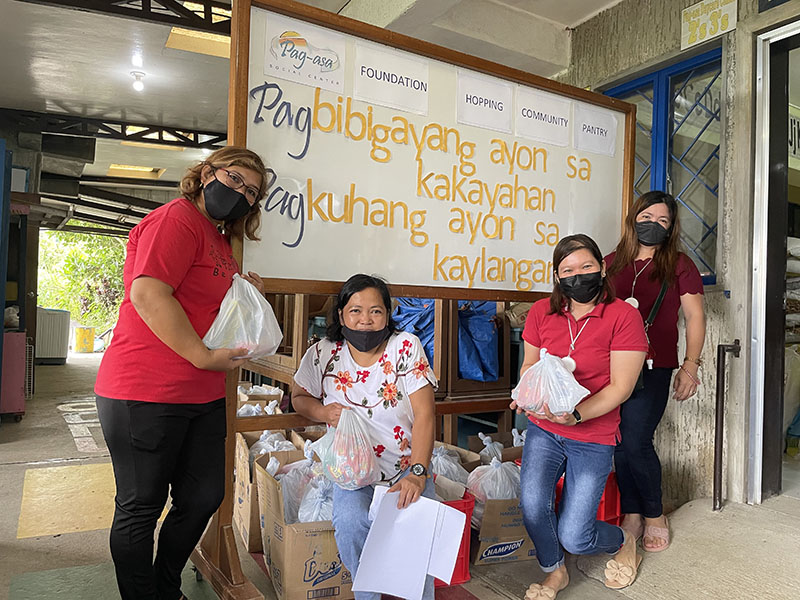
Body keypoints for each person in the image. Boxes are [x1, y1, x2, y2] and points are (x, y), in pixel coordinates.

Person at [94, 146, 270, 600]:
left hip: (201, 392)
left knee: (204, 495)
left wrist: (242, 296)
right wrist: (201, 356)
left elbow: (202, 302)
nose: (240, 194)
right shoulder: (176, 219)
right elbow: (149, 294)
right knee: (141, 507)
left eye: (250, 192)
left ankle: (163, 583)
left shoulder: (218, 236)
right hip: (145, 388)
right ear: (207, 173)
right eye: (234, 180)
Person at [512, 234, 648, 599]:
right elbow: (529, 365)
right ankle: (555, 571)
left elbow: (620, 387)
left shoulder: (624, 316)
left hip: (593, 436)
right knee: (532, 506)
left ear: (602, 268)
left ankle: (624, 538)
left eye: (586, 267)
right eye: (568, 270)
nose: (578, 276)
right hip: (544, 429)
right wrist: (526, 396)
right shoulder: (542, 312)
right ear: (558, 277)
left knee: (577, 535)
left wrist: (576, 415)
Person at [292, 274, 437, 600]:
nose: (366, 321)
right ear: (341, 314)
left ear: (388, 314)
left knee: (419, 534)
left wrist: (417, 473)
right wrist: (322, 413)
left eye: (376, 311)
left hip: (404, 468)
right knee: (351, 524)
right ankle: (368, 595)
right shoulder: (324, 353)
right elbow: (299, 396)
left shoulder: (405, 347)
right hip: (352, 472)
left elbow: (426, 414)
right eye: (356, 310)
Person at [605, 190, 706, 552]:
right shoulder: (611, 262)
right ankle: (631, 513)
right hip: (610, 367)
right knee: (616, 439)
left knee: (636, 439)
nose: (653, 225)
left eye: (663, 221)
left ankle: (653, 514)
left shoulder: (679, 264)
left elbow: (695, 316)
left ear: (671, 227)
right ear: (634, 219)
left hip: (655, 365)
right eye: (647, 217)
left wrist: (690, 366)